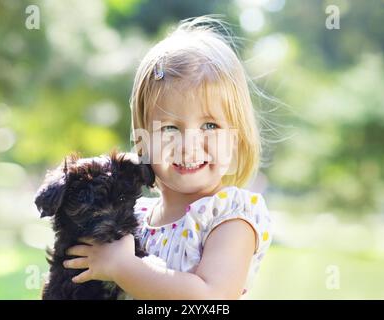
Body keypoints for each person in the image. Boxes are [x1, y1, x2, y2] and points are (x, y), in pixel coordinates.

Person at [63, 16, 272, 300]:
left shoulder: (230, 217)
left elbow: (210, 298)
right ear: (142, 141)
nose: (189, 146)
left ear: (236, 138)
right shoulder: (132, 218)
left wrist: (122, 268)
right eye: (170, 128)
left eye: (210, 126)